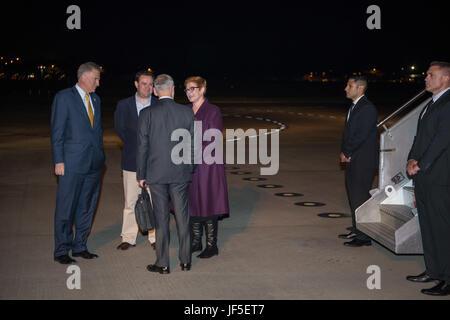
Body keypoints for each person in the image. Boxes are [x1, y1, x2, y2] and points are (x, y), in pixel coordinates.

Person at [137, 74, 195, 274]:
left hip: (156, 173)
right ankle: (185, 261)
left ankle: (163, 263)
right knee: (182, 217)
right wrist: (189, 168)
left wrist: (141, 174)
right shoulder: (186, 113)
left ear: (155, 90)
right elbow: (192, 145)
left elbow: (142, 147)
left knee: (161, 219)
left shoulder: (147, 114)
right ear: (172, 90)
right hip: (180, 173)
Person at [50, 62, 105, 264]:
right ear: (84, 77)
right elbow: (57, 132)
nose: (98, 83)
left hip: (94, 163)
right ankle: (61, 249)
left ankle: (80, 245)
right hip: (71, 163)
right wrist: (59, 160)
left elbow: (96, 132)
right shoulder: (64, 98)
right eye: (95, 79)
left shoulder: (96, 100)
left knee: (87, 206)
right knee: (66, 207)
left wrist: (101, 156)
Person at [406, 61, 450, 296]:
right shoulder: (430, 104)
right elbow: (420, 137)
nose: (426, 78)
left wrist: (421, 164)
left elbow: (442, 141)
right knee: (428, 226)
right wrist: (411, 158)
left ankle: (447, 277)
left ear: (445, 79)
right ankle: (433, 270)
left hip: (440, 178)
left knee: (442, 228)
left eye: (430, 75)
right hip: (423, 175)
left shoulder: (448, 103)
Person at [184, 76, 229, 258]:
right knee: (192, 202)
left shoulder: (213, 111)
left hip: (208, 166)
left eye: (192, 89)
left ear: (202, 89)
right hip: (188, 164)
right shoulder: (185, 110)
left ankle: (212, 245)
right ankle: (196, 241)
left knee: (208, 202)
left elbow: (212, 138)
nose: (189, 93)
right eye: (186, 89)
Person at [114, 70, 156, 251]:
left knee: (155, 201)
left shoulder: (159, 105)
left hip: (155, 162)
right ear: (136, 84)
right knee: (131, 201)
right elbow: (120, 130)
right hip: (131, 161)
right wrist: (136, 147)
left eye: (150, 84)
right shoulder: (124, 106)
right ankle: (129, 237)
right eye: (144, 83)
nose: (147, 87)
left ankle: (155, 237)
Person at [338, 75, 378, 247]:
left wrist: (347, 151)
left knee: (360, 197)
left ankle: (364, 237)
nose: (346, 88)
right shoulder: (356, 107)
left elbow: (360, 135)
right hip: (355, 158)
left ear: (360, 88)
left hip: (363, 160)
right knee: (354, 195)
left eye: (349, 85)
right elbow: (349, 133)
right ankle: (357, 228)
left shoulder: (367, 108)